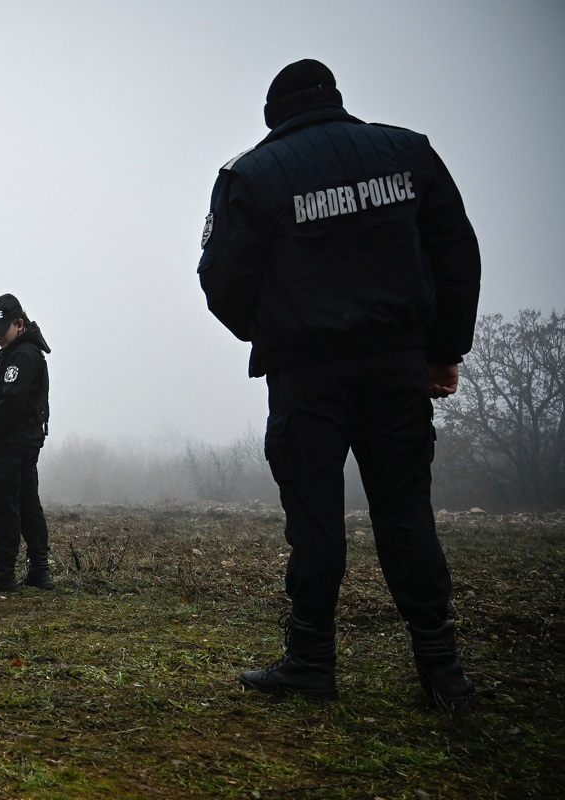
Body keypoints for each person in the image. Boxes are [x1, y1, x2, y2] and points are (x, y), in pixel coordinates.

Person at [197, 59, 481, 710]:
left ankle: (311, 663)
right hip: (397, 365)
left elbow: (220, 279)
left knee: (315, 518)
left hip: (306, 375)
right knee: (406, 512)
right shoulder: (408, 154)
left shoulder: (251, 176)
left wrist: (271, 331)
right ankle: (443, 671)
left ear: (275, 115)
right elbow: (455, 253)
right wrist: (442, 350)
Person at [0, 293, 53, 593]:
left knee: (5, 503)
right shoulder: (15, 352)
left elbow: (12, 401)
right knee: (28, 501)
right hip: (23, 440)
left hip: (14, 441)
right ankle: (39, 571)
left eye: (2, 331)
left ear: (19, 323)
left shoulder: (23, 355)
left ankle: (5, 572)